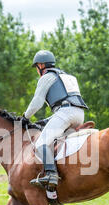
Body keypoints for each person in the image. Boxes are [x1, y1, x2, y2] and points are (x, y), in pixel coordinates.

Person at [22, 50, 89, 189]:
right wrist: (45, 121)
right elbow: (66, 103)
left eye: (36, 67)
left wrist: (25, 117)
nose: (37, 70)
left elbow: (37, 102)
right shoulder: (67, 76)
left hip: (65, 113)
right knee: (58, 144)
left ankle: (51, 174)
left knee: (41, 144)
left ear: (40, 65)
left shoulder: (46, 77)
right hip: (79, 114)